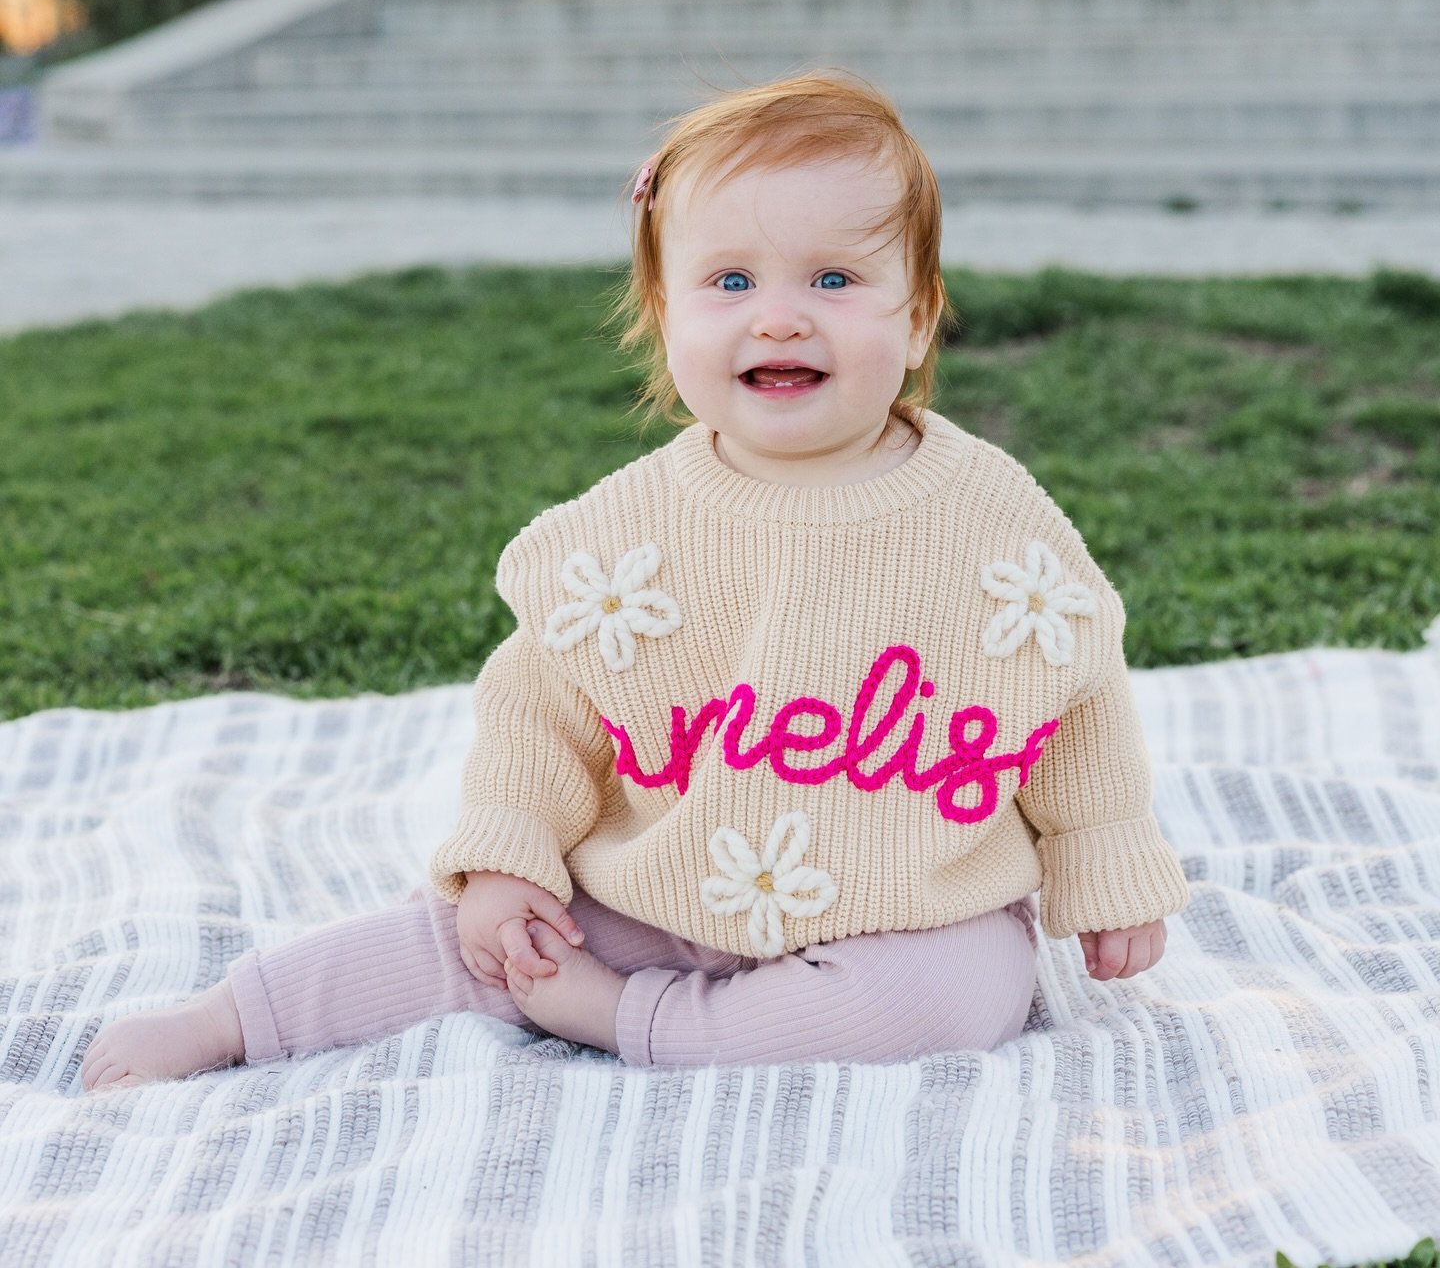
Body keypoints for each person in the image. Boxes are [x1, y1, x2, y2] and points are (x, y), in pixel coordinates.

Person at [81, 70, 1189, 1089]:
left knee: (952, 1000)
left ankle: (628, 1021)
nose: (780, 311)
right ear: (665, 317)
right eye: (731, 279)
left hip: (913, 903)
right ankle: (233, 1017)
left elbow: (1076, 699)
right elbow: (539, 709)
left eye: (836, 277)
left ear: (916, 315)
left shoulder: (989, 514)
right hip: (668, 878)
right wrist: (510, 857)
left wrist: (1106, 869)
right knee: (479, 937)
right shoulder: (628, 534)